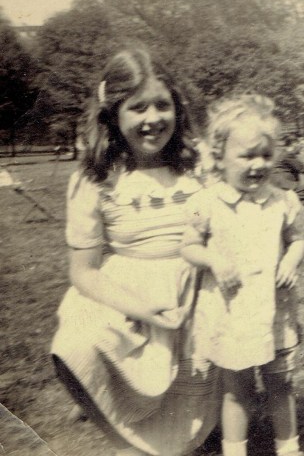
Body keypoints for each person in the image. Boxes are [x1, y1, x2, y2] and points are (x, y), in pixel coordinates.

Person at [50, 48, 220, 456]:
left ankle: (195, 419)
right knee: (80, 342)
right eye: (137, 108)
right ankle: (109, 399)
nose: (152, 119)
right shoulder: (96, 178)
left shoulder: (199, 164)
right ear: (113, 114)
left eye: (162, 105)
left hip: (196, 289)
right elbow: (85, 272)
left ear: (177, 107)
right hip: (128, 294)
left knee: (185, 432)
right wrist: (143, 309)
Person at [180, 94, 304, 456]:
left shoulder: (282, 200)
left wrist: (292, 258)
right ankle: (235, 449)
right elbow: (187, 247)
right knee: (237, 389)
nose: (257, 165)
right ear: (218, 157)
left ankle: (289, 447)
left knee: (281, 383)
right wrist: (214, 259)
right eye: (247, 156)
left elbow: (297, 240)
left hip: (273, 312)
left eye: (265, 156)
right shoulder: (206, 203)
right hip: (231, 312)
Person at [271, 133, 304, 206]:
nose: (302, 147)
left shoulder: (286, 153)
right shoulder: (288, 155)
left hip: (283, 183)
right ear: (294, 144)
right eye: (300, 144)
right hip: (284, 184)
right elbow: (303, 169)